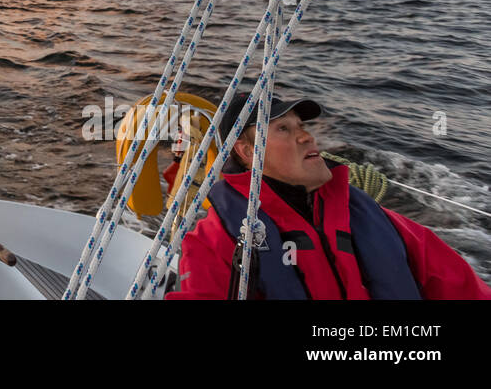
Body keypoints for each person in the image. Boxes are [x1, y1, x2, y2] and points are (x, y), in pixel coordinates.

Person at [167, 91, 491, 300]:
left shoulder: (374, 218)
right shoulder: (214, 240)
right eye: (284, 129)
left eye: (302, 125)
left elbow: (462, 287)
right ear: (248, 152)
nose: (306, 136)